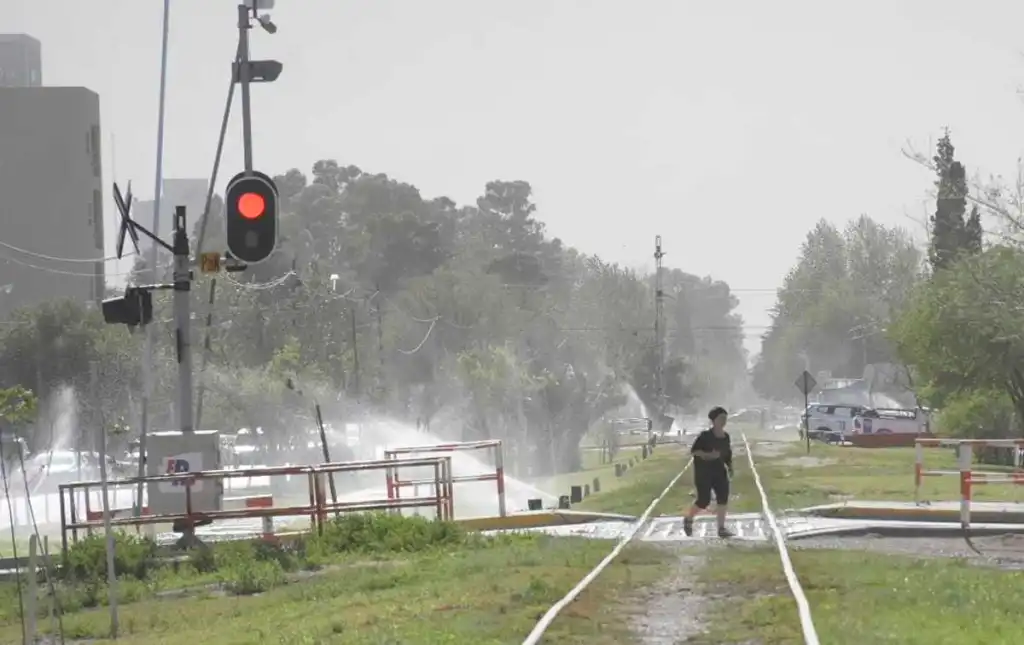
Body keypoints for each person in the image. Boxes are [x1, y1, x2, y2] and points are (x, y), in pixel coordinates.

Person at [683, 406, 734, 538]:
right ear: (713, 420)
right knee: (703, 500)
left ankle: (721, 529)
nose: (723, 421)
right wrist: (707, 455)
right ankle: (688, 518)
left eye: (725, 419)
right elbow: (694, 451)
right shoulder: (705, 436)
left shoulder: (726, 437)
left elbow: (727, 454)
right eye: (721, 418)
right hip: (704, 472)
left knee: (723, 498)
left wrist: (730, 467)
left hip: (719, 471)